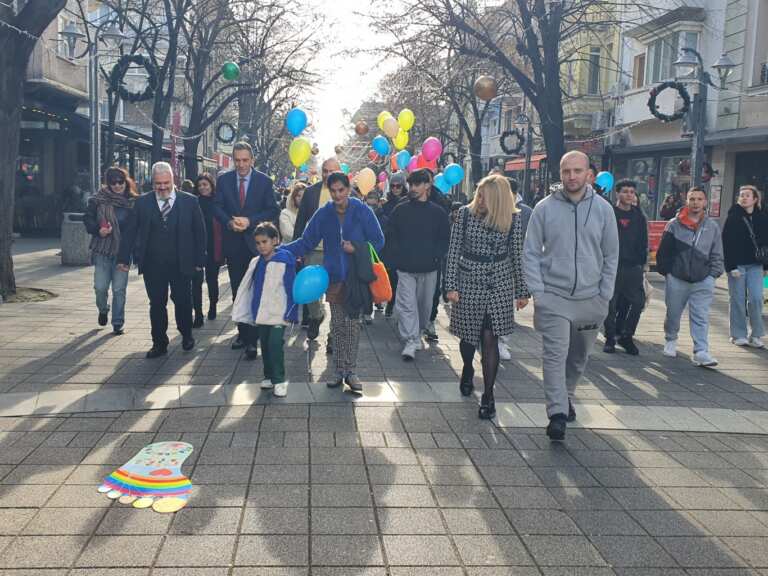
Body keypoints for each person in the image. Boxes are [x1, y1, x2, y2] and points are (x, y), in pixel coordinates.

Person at [523, 151, 619, 441]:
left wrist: (604, 294)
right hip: (554, 296)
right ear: (560, 174)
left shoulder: (603, 210)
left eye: (577, 171)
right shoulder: (544, 208)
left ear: (589, 174)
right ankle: (557, 414)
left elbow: (611, 254)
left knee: (578, 357)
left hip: (591, 299)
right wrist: (539, 292)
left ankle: (565, 395)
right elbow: (530, 252)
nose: (572, 176)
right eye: (566, 171)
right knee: (555, 355)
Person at [284, 172, 384, 394]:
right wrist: (280, 251)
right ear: (329, 191)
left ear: (348, 189)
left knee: (353, 325)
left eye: (342, 190)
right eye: (334, 191)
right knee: (338, 325)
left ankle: (351, 371)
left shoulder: (362, 210)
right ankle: (339, 370)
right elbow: (306, 242)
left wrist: (356, 248)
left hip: (356, 277)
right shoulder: (324, 213)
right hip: (334, 277)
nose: (338, 195)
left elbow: (378, 241)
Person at [445, 175, 530, 419]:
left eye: (485, 195)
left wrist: (522, 290)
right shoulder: (465, 214)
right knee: (468, 336)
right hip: (469, 280)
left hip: (499, 281)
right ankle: (467, 368)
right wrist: (451, 285)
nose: (479, 199)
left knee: (490, 337)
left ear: (498, 198)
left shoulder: (512, 217)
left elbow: (517, 254)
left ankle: (488, 395)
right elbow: (454, 251)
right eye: (478, 194)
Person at [119, 162, 206, 358]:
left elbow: (199, 233)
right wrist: (123, 258)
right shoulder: (142, 203)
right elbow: (130, 231)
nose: (162, 187)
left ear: (173, 180)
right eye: (158, 184)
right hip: (153, 264)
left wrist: (200, 260)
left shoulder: (190, 202)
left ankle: (186, 334)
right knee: (157, 303)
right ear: (153, 183)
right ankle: (159, 343)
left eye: (166, 183)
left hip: (182, 262)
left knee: (183, 301)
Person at [214, 142, 280, 359]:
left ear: (252, 160)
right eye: (237, 160)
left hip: (257, 245)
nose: (241, 165)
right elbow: (217, 207)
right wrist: (229, 222)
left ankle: (252, 340)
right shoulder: (224, 180)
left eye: (245, 160)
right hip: (234, 245)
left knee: (255, 291)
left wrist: (250, 221)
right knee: (238, 291)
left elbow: (272, 209)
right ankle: (242, 333)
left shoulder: (264, 181)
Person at [386, 169, 451, 360]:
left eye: (417, 184)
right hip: (405, 268)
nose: (413, 188)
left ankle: (419, 331)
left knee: (424, 307)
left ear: (427, 185)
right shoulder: (400, 210)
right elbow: (391, 234)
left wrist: (436, 256)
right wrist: (395, 258)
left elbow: (444, 238)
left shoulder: (438, 212)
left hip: (429, 268)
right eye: (411, 184)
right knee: (407, 305)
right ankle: (411, 340)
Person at [656, 186, 724, 366]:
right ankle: (671, 338)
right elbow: (664, 251)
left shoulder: (712, 226)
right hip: (677, 277)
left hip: (703, 279)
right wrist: (667, 273)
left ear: (705, 202)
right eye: (692, 199)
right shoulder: (674, 224)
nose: (696, 203)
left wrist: (713, 275)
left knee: (701, 316)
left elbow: (717, 253)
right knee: (673, 313)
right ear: (687, 201)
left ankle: (701, 351)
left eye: (699, 199)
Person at [232, 222, 297, 396]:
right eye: (258, 243)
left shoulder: (286, 260)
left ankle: (279, 379)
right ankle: (268, 375)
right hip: (261, 312)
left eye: (264, 241)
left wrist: (291, 311)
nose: (261, 246)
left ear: (275, 240)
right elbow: (253, 288)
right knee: (266, 346)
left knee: (275, 344)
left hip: (279, 311)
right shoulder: (257, 262)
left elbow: (291, 287)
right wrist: (252, 311)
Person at [83, 166, 138, 335]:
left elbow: (136, 229)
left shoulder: (132, 202)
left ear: (126, 182)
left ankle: (118, 322)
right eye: (113, 182)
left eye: (120, 182)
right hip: (102, 251)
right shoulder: (98, 200)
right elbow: (88, 219)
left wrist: (134, 253)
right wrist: (98, 230)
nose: (117, 185)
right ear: (108, 183)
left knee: (119, 290)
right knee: (100, 288)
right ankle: (103, 309)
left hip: (123, 253)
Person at [293, 158, 342, 345]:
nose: (328, 175)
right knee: (311, 292)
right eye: (325, 171)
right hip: (314, 250)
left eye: (332, 171)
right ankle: (316, 315)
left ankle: (333, 337)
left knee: (336, 297)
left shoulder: (348, 193)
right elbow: (301, 221)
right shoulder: (311, 192)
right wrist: (297, 249)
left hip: (338, 253)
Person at [603, 179, 648, 355]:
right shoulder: (610, 214)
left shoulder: (639, 216)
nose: (629, 195)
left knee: (637, 302)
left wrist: (642, 265)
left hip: (633, 267)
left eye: (632, 192)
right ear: (617, 194)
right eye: (625, 191)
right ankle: (610, 338)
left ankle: (626, 336)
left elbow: (643, 241)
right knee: (610, 304)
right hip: (612, 267)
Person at [722, 184, 767, 348]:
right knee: (737, 299)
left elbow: (766, 243)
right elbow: (726, 243)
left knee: (756, 298)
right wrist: (730, 266)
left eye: (747, 195)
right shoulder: (733, 217)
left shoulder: (762, 217)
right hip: (737, 265)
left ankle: (756, 335)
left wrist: (766, 266)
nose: (744, 198)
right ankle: (738, 334)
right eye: (741, 195)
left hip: (756, 265)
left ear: (755, 199)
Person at [192, 173, 223, 326]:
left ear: (211, 185)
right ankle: (198, 313)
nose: (202, 188)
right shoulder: (193, 202)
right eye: (200, 185)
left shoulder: (218, 202)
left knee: (212, 279)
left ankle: (213, 306)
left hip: (213, 247)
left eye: (205, 184)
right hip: (196, 247)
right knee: (196, 282)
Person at [378, 171, 408, 317]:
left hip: (404, 245)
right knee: (390, 276)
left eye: (398, 186)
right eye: (393, 186)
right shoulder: (386, 204)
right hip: (389, 245)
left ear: (403, 186)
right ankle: (390, 302)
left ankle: (395, 303)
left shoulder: (408, 203)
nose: (395, 188)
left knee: (401, 278)